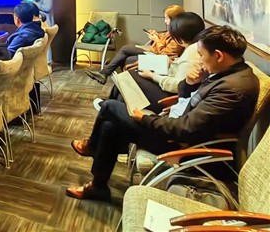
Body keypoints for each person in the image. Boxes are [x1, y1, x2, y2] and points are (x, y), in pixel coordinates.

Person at [66, 25, 259, 202]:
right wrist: (190, 83)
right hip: (173, 123)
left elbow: (186, 129)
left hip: (180, 143)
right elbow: (188, 98)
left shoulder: (232, 89)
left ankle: (92, 147)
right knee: (110, 125)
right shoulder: (227, 73)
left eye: (201, 55)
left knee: (109, 107)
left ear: (218, 55)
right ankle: (98, 186)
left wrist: (146, 118)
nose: (199, 60)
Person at [95, 12, 205, 114]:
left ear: (180, 37)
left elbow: (177, 85)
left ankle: (110, 105)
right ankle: (112, 106)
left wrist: (152, 76)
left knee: (130, 75)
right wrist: (173, 62)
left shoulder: (192, 52)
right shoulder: (195, 47)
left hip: (171, 96)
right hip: (168, 74)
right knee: (129, 77)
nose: (165, 21)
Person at [86, 4, 186, 85]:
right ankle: (105, 73)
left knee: (125, 52)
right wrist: (156, 35)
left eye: (167, 19)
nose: (165, 21)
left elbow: (165, 54)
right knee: (125, 49)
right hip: (154, 52)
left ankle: (105, 73)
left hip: (157, 57)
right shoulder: (173, 30)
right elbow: (164, 40)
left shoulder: (179, 36)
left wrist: (156, 40)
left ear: (174, 19)